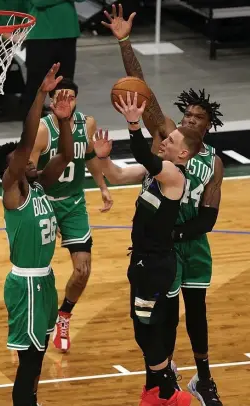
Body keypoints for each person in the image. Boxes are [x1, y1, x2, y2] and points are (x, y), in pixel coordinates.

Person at [102, 5, 224, 406]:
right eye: (185, 114)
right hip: (160, 245)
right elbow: (141, 91)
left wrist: (178, 232)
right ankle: (160, 378)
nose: (186, 120)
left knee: (196, 313)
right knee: (159, 317)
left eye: (196, 117)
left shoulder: (211, 163)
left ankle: (202, 380)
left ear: (207, 126)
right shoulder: (168, 140)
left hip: (185, 241)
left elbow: (208, 215)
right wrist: (124, 41)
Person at [94, 91, 202, 406]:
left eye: (171, 140)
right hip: (143, 261)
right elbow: (114, 175)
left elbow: (143, 153)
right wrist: (103, 157)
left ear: (183, 154)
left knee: (144, 330)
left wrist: (132, 123)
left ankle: (169, 391)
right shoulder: (152, 174)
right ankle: (159, 390)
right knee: (143, 324)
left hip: (155, 265)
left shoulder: (173, 175)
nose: (165, 141)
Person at [0, 63, 74, 406]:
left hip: (45, 281)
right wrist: (41, 96)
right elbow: (27, 142)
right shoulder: (13, 191)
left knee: (38, 357)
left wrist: (65, 119)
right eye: (20, 159)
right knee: (28, 362)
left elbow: (67, 155)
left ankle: (31, 401)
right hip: (25, 284)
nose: (28, 160)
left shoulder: (39, 186)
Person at [30, 77, 113, 352]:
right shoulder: (42, 129)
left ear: (76, 100)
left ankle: (63, 316)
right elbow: (28, 172)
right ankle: (33, 320)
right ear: (52, 100)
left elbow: (89, 156)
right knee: (36, 271)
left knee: (83, 270)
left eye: (71, 97)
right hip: (44, 202)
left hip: (74, 203)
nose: (65, 102)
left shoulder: (86, 123)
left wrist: (102, 186)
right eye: (60, 97)